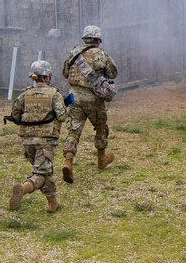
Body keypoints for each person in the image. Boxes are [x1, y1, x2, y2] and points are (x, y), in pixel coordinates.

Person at [8, 60, 67, 213]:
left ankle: (53, 203)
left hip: (27, 141)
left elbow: (15, 114)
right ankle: (24, 188)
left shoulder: (24, 94)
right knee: (41, 173)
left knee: (45, 171)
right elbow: (61, 116)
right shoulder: (55, 94)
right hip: (46, 140)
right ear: (47, 77)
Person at [61, 25, 117, 182]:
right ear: (98, 40)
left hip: (73, 96)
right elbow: (113, 73)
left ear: (84, 38)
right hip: (93, 98)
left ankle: (68, 162)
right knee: (101, 127)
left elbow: (65, 73)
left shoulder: (73, 53)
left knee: (73, 131)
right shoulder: (101, 54)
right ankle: (101, 160)